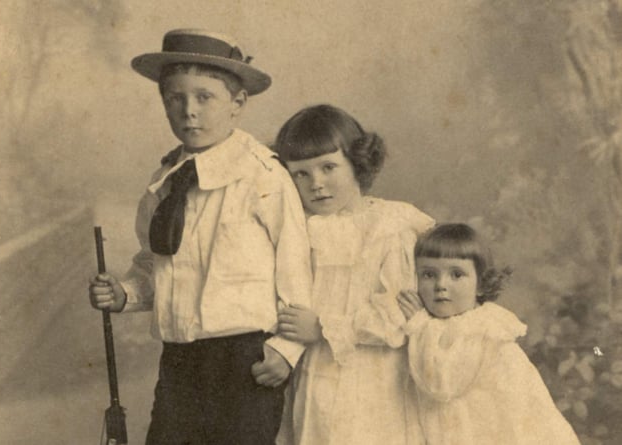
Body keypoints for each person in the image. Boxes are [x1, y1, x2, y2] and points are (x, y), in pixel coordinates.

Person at [88, 29, 312, 445]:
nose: (189, 111)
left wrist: (287, 349)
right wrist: (125, 294)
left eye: (204, 97)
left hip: (246, 361)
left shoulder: (262, 177)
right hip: (181, 363)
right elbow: (155, 261)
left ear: (237, 104)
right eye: (175, 98)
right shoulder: (164, 183)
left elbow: (297, 268)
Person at [273, 104, 434, 445]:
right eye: (300, 174)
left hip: (375, 376)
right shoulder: (296, 228)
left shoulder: (389, 227)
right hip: (313, 372)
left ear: (357, 163)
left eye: (328, 167)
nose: (316, 184)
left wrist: (323, 326)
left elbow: (398, 314)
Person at [398, 223, 581, 444]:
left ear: (481, 285)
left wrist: (418, 325)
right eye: (428, 275)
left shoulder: (481, 329)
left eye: (456, 275)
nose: (441, 285)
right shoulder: (440, 326)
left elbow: (441, 383)